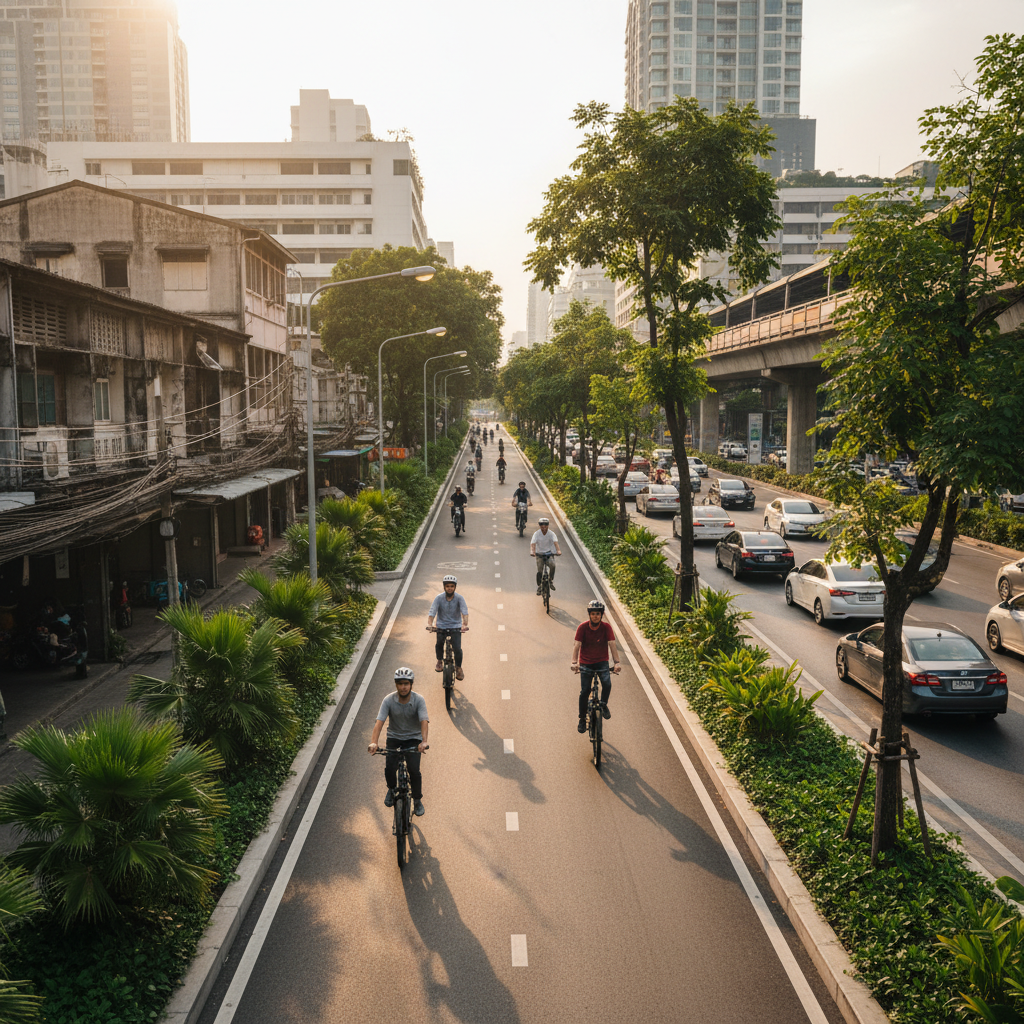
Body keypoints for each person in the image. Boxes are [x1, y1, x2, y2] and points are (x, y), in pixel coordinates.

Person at [368, 668, 429, 817]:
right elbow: (379, 722)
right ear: (396, 685)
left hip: (413, 739)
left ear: (411, 684)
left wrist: (424, 741)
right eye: (400, 684)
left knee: (414, 770)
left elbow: (424, 721)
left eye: (406, 684)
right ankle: (391, 789)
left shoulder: (419, 700)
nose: (403, 687)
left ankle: (417, 800)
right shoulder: (388, 700)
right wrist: (374, 743)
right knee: (390, 768)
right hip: (394, 738)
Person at [570, 600, 621, 733]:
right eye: (593, 614)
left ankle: (603, 704)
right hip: (586, 663)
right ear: (589, 615)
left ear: (601, 615)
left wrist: (617, 662)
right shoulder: (582, 627)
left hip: (602, 662)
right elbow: (577, 645)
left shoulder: (606, 627)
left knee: (607, 683)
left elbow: (612, 644)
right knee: (585, 691)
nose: (595, 616)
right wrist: (574, 663)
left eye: (598, 614)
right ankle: (582, 719)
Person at [427, 574, 469, 680]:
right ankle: (439, 661)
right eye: (447, 586)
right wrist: (430, 624)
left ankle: (459, 668)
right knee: (439, 644)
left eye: (452, 586)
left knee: (458, 649)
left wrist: (464, 624)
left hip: (456, 626)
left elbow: (465, 612)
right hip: (441, 626)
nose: (449, 588)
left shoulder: (460, 598)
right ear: (444, 587)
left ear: (455, 587)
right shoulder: (439, 598)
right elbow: (432, 612)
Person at [530, 518, 562, 593]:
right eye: (542, 525)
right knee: (540, 571)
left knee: (552, 565)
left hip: (549, 554)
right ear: (539, 526)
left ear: (548, 525)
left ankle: (550, 580)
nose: (543, 527)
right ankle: (540, 586)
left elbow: (555, 543)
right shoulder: (536, 534)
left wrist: (558, 550)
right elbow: (533, 543)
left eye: (545, 525)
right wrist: (532, 551)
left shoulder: (551, 534)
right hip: (539, 554)